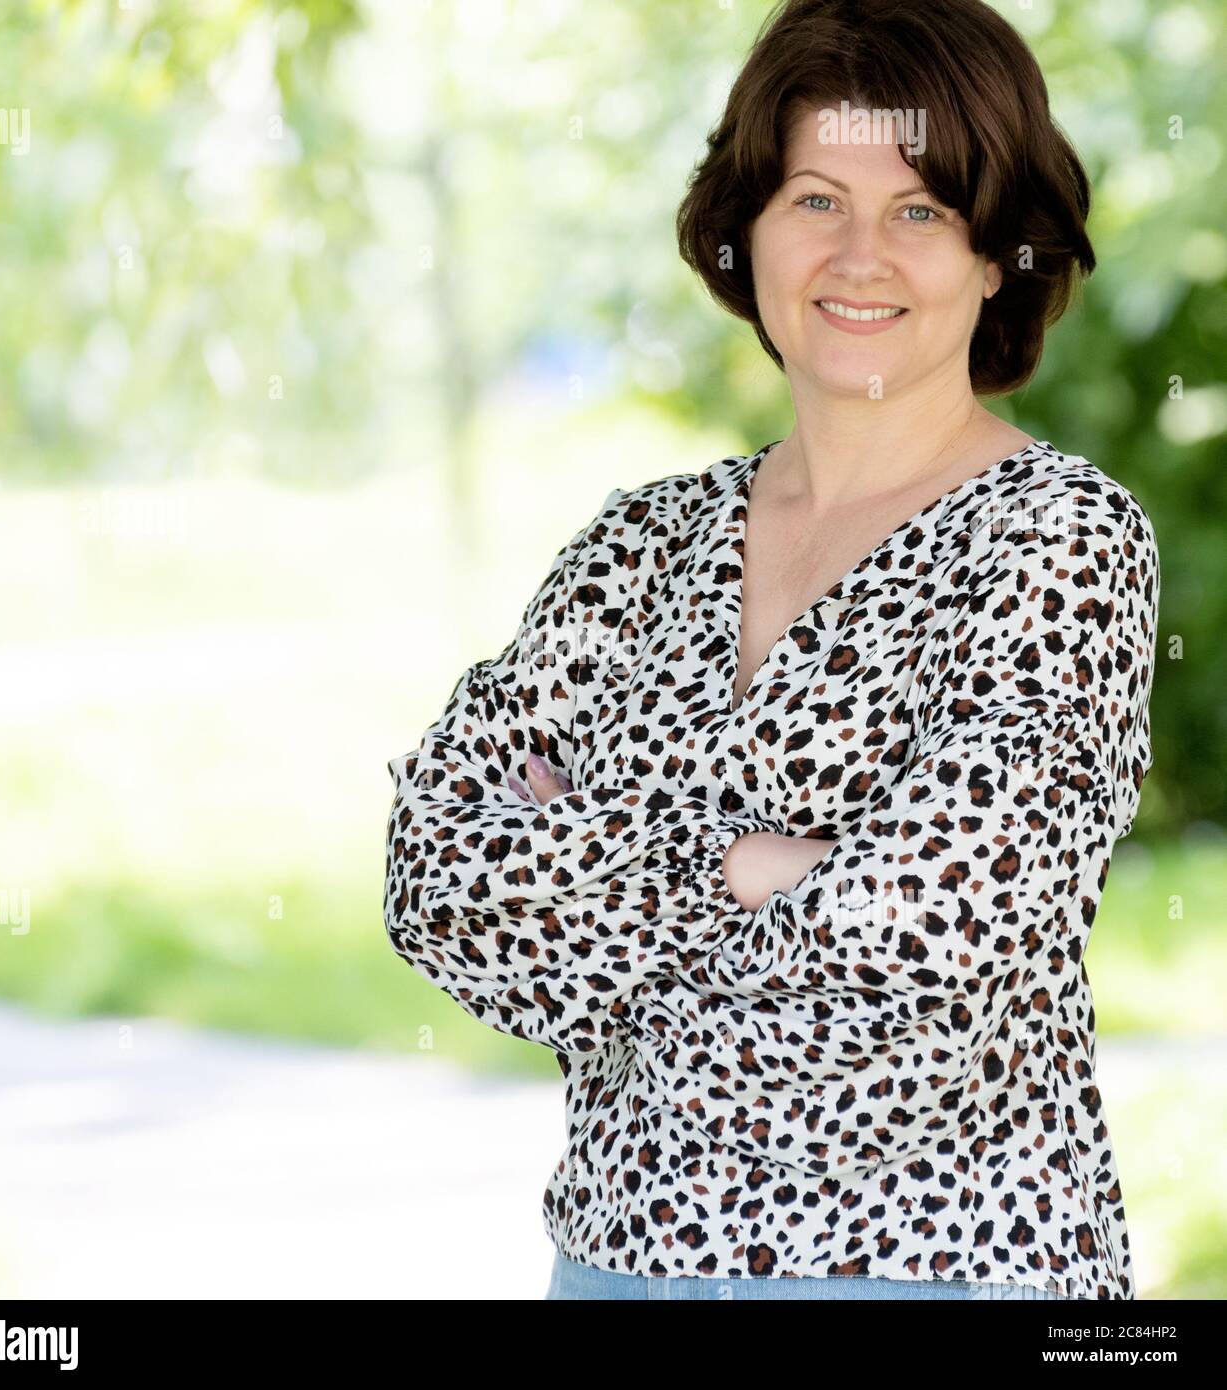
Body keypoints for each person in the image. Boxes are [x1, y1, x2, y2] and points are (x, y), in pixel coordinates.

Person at [382, 0, 1159, 1301]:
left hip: (936, 1267)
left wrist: (598, 860)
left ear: (995, 256)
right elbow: (439, 881)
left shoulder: (1058, 536)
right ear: (746, 233)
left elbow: (942, 914)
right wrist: (750, 865)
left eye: (921, 209)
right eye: (815, 199)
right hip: (618, 1258)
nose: (861, 254)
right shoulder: (639, 545)